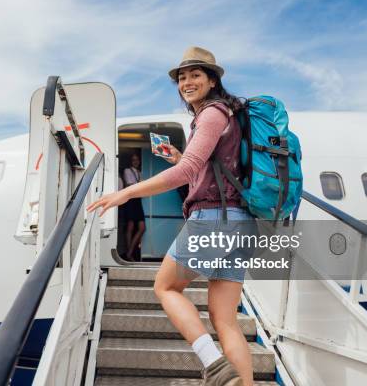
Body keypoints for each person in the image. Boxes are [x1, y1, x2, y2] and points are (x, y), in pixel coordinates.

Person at [88, 46, 253, 386]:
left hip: (214, 219)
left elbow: (190, 172)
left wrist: (125, 192)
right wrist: (182, 159)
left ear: (212, 80)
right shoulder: (228, 116)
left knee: (166, 287)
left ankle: (215, 365)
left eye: (196, 75)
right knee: (226, 321)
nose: (187, 82)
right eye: (182, 77)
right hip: (237, 222)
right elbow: (201, 169)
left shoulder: (211, 113)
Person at [121, 153, 146, 261]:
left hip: (138, 200)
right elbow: (128, 185)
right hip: (131, 200)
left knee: (142, 227)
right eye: (133, 160)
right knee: (130, 226)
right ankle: (129, 254)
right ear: (131, 161)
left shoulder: (139, 172)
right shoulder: (127, 170)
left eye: (137, 160)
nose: (135, 161)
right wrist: (139, 184)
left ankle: (129, 252)